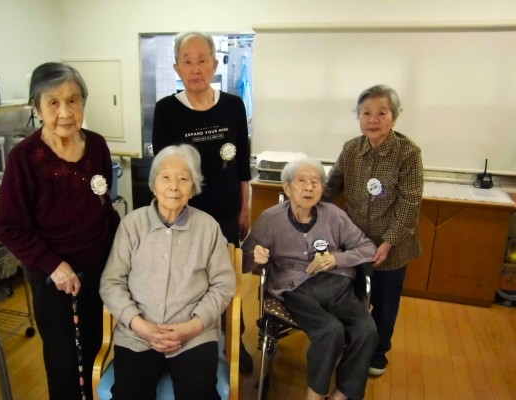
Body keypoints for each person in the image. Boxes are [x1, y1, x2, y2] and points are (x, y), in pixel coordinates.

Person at [0, 62, 120, 399]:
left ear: (83, 102)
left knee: (98, 350)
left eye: (73, 100)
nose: (65, 112)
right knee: (64, 363)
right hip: (54, 280)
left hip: (100, 270)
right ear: (36, 109)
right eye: (53, 102)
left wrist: (126, 249)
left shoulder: (97, 146)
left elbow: (104, 207)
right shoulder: (24, 158)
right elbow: (8, 226)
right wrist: (53, 265)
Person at [151, 31, 254, 372]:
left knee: (227, 281)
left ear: (214, 63)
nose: (195, 68)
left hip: (226, 213)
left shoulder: (233, 106)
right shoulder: (167, 110)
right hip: (185, 219)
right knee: (188, 282)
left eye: (202, 60)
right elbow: (162, 168)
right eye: (187, 61)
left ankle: (234, 342)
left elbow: (242, 164)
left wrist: (244, 207)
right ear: (177, 68)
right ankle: (192, 343)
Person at [99, 144, 236, 400]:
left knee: (199, 394)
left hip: (194, 336)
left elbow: (223, 284)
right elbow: (111, 283)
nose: (174, 186)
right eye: (165, 177)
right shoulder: (132, 225)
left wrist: (194, 326)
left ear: (192, 189)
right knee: (130, 394)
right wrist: (139, 325)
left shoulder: (208, 227)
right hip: (138, 335)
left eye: (183, 179)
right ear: (153, 185)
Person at [242, 158, 378, 400]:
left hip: (336, 285)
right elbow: (242, 260)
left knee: (366, 331)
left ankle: (341, 395)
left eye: (315, 182)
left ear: (322, 189)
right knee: (330, 331)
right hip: (295, 289)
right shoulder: (271, 219)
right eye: (301, 181)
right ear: (287, 188)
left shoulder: (334, 215)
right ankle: (314, 397)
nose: (308, 187)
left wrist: (336, 259)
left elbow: (367, 248)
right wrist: (255, 256)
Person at [322, 84, 424, 377]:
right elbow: (333, 185)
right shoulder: (352, 149)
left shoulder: (408, 153)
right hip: (354, 243)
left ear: (395, 116)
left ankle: (378, 353)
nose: (373, 119)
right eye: (366, 113)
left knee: (384, 302)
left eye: (382, 113)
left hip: (392, 245)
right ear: (358, 116)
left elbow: (409, 203)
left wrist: (388, 242)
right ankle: (353, 344)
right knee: (352, 297)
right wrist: (306, 201)